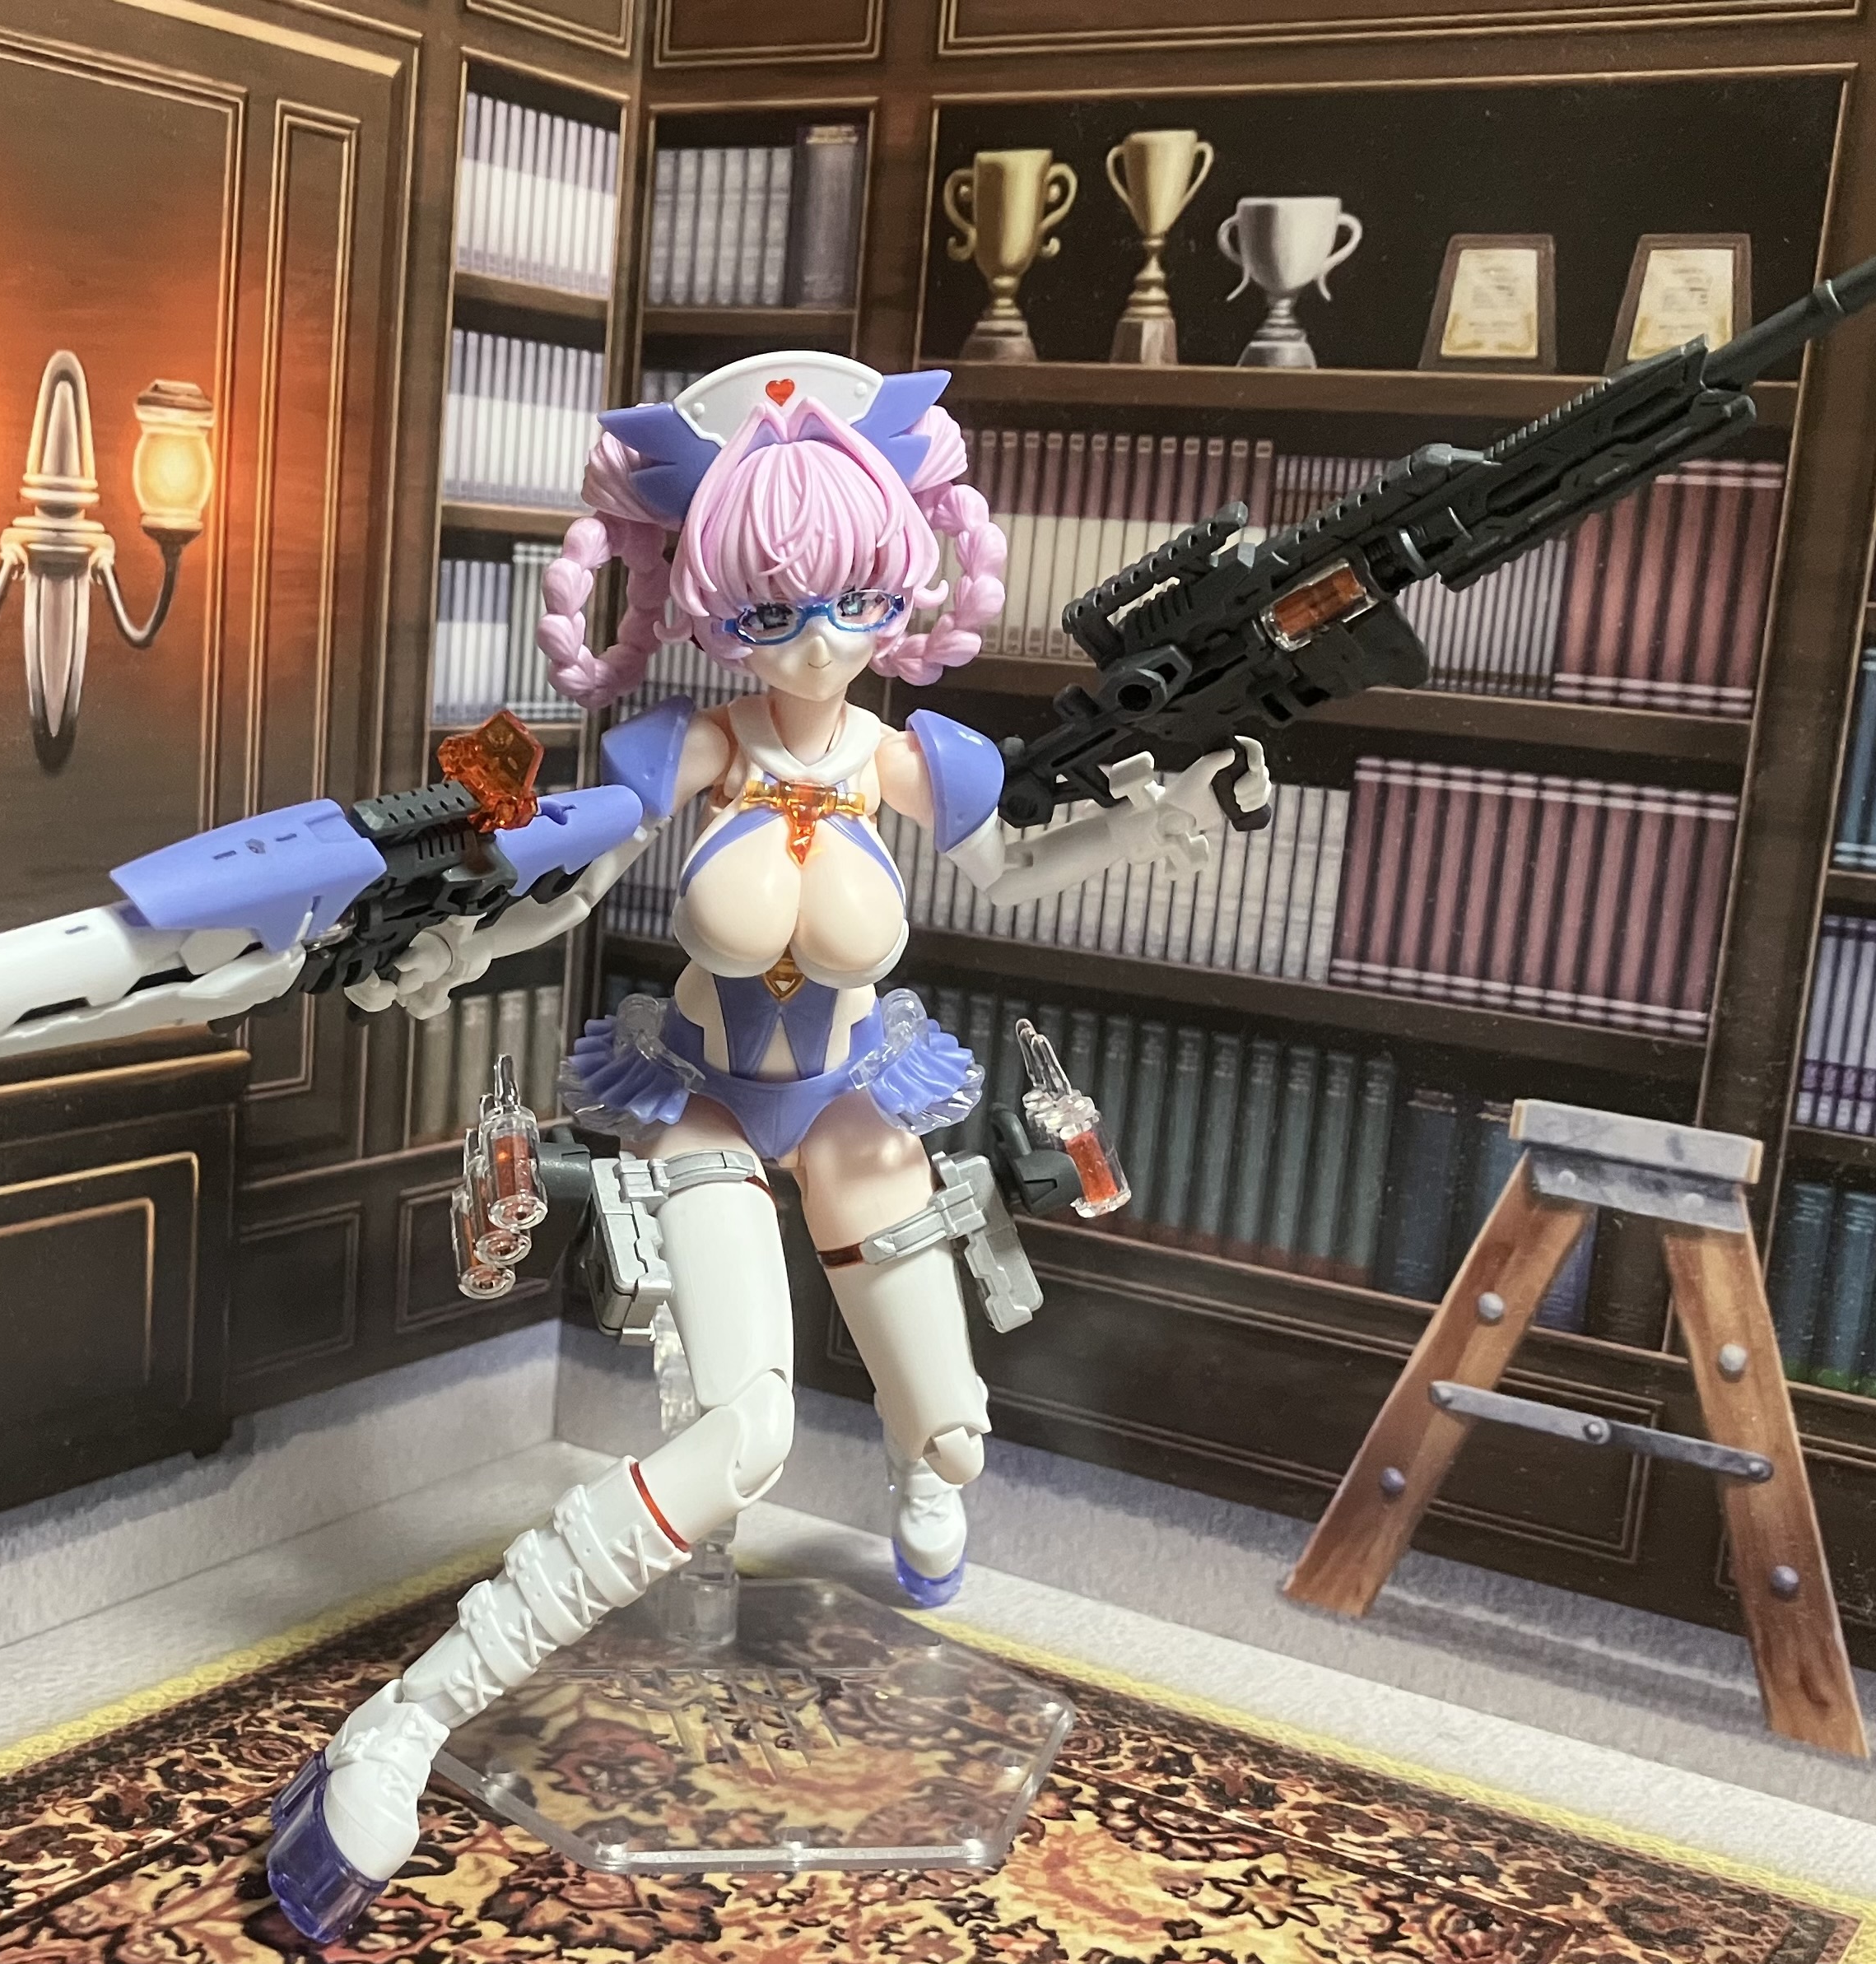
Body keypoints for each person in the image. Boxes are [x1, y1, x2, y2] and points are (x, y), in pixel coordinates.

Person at [266, 351, 1236, 1941]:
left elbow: (1019, 870)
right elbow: (560, 883)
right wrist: (440, 941)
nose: (820, 640)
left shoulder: (914, 759)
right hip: (704, 1092)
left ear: (900, 583)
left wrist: (1170, 812)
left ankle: (925, 1473)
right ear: (717, 605)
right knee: (743, 1436)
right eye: (775, 608)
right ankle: (411, 1715)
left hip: (852, 1096)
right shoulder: (692, 749)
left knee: (953, 1438)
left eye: (851, 600)